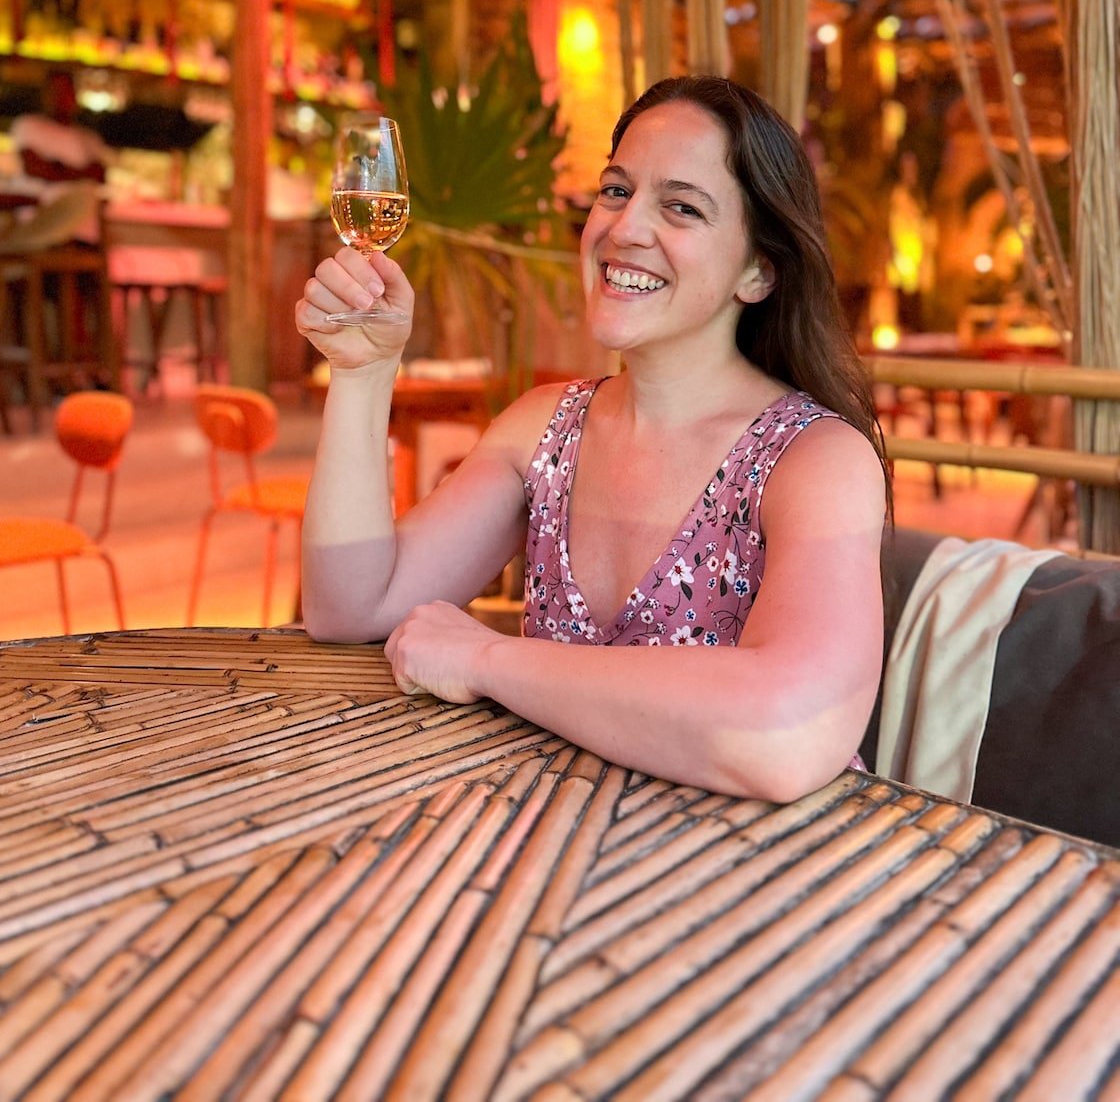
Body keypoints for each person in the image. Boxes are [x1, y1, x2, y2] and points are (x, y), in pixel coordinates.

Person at [295, 76, 890, 803]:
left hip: (760, 875)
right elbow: (350, 609)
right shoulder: (545, 428)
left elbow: (790, 733)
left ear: (759, 271)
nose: (626, 227)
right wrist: (363, 374)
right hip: (568, 853)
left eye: (681, 207)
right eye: (616, 191)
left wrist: (487, 661)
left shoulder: (813, 459)